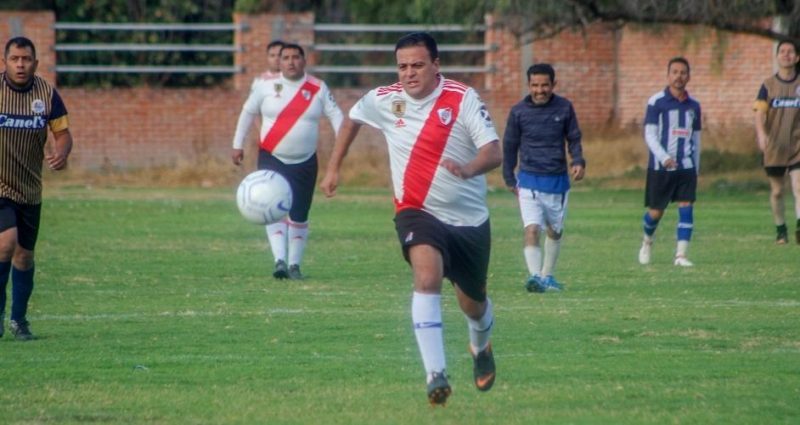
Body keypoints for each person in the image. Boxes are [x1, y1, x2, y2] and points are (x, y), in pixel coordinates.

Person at [320, 32, 501, 406]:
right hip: (416, 211)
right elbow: (352, 119)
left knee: (474, 305)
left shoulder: (462, 98)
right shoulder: (385, 100)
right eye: (402, 66)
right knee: (426, 276)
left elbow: (494, 151)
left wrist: (468, 170)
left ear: (436, 65)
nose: (409, 73)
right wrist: (333, 168)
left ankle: (480, 345)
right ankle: (435, 373)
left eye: (418, 65)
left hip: (468, 221)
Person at [231, 43, 343, 280]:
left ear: (304, 61)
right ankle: (279, 261)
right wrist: (237, 144)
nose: (291, 62)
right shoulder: (265, 87)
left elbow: (337, 117)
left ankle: (295, 265)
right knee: (273, 208)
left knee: (300, 214)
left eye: (295, 57)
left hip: (305, 161)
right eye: (286, 58)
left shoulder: (318, 88)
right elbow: (247, 112)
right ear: (279, 63)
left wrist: (340, 150)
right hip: (272, 157)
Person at [0, 36, 73, 340]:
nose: (20, 64)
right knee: (6, 243)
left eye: (26, 59)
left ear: (35, 63)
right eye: (15, 59)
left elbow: (63, 133)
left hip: (30, 188)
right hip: (0, 187)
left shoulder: (46, 93)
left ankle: (19, 320)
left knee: (24, 257)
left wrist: (62, 153)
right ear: (5, 62)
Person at [502, 63, 585, 293]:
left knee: (555, 231)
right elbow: (509, 145)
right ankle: (535, 276)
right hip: (528, 181)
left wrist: (578, 161)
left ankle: (547, 275)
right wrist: (509, 176)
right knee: (531, 229)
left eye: (544, 85)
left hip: (557, 182)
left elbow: (574, 138)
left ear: (553, 85)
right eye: (535, 85)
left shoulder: (564, 108)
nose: (540, 90)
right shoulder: (518, 112)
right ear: (528, 85)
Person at [638, 57, 702, 267]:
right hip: (661, 167)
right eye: (675, 72)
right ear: (668, 75)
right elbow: (650, 134)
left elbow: (696, 138)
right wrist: (664, 157)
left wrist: (696, 167)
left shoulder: (694, 106)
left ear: (688, 77)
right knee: (656, 211)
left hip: (686, 166)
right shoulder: (656, 102)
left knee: (686, 206)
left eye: (683, 72)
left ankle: (680, 255)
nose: (679, 76)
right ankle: (647, 241)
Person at [754, 40, 800, 245]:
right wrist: (761, 134)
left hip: (797, 146)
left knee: (799, 187)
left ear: (797, 57)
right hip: (775, 147)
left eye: (791, 52)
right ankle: (781, 229)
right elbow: (759, 113)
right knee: (777, 191)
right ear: (777, 56)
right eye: (782, 51)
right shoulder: (767, 85)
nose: (786, 54)